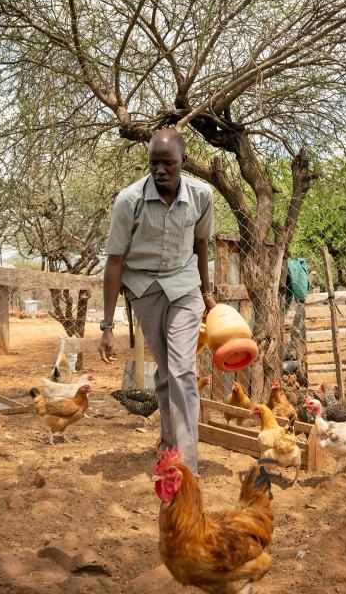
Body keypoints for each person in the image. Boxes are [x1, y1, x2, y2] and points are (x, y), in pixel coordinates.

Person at [98, 128, 215, 475]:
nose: (161, 170)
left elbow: (202, 244)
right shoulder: (129, 201)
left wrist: (207, 293)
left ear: (184, 162)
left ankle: (188, 467)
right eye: (154, 163)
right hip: (145, 288)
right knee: (166, 372)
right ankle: (169, 443)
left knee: (182, 370)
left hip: (184, 286)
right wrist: (106, 326)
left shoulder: (201, 195)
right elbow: (114, 261)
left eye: (169, 164)